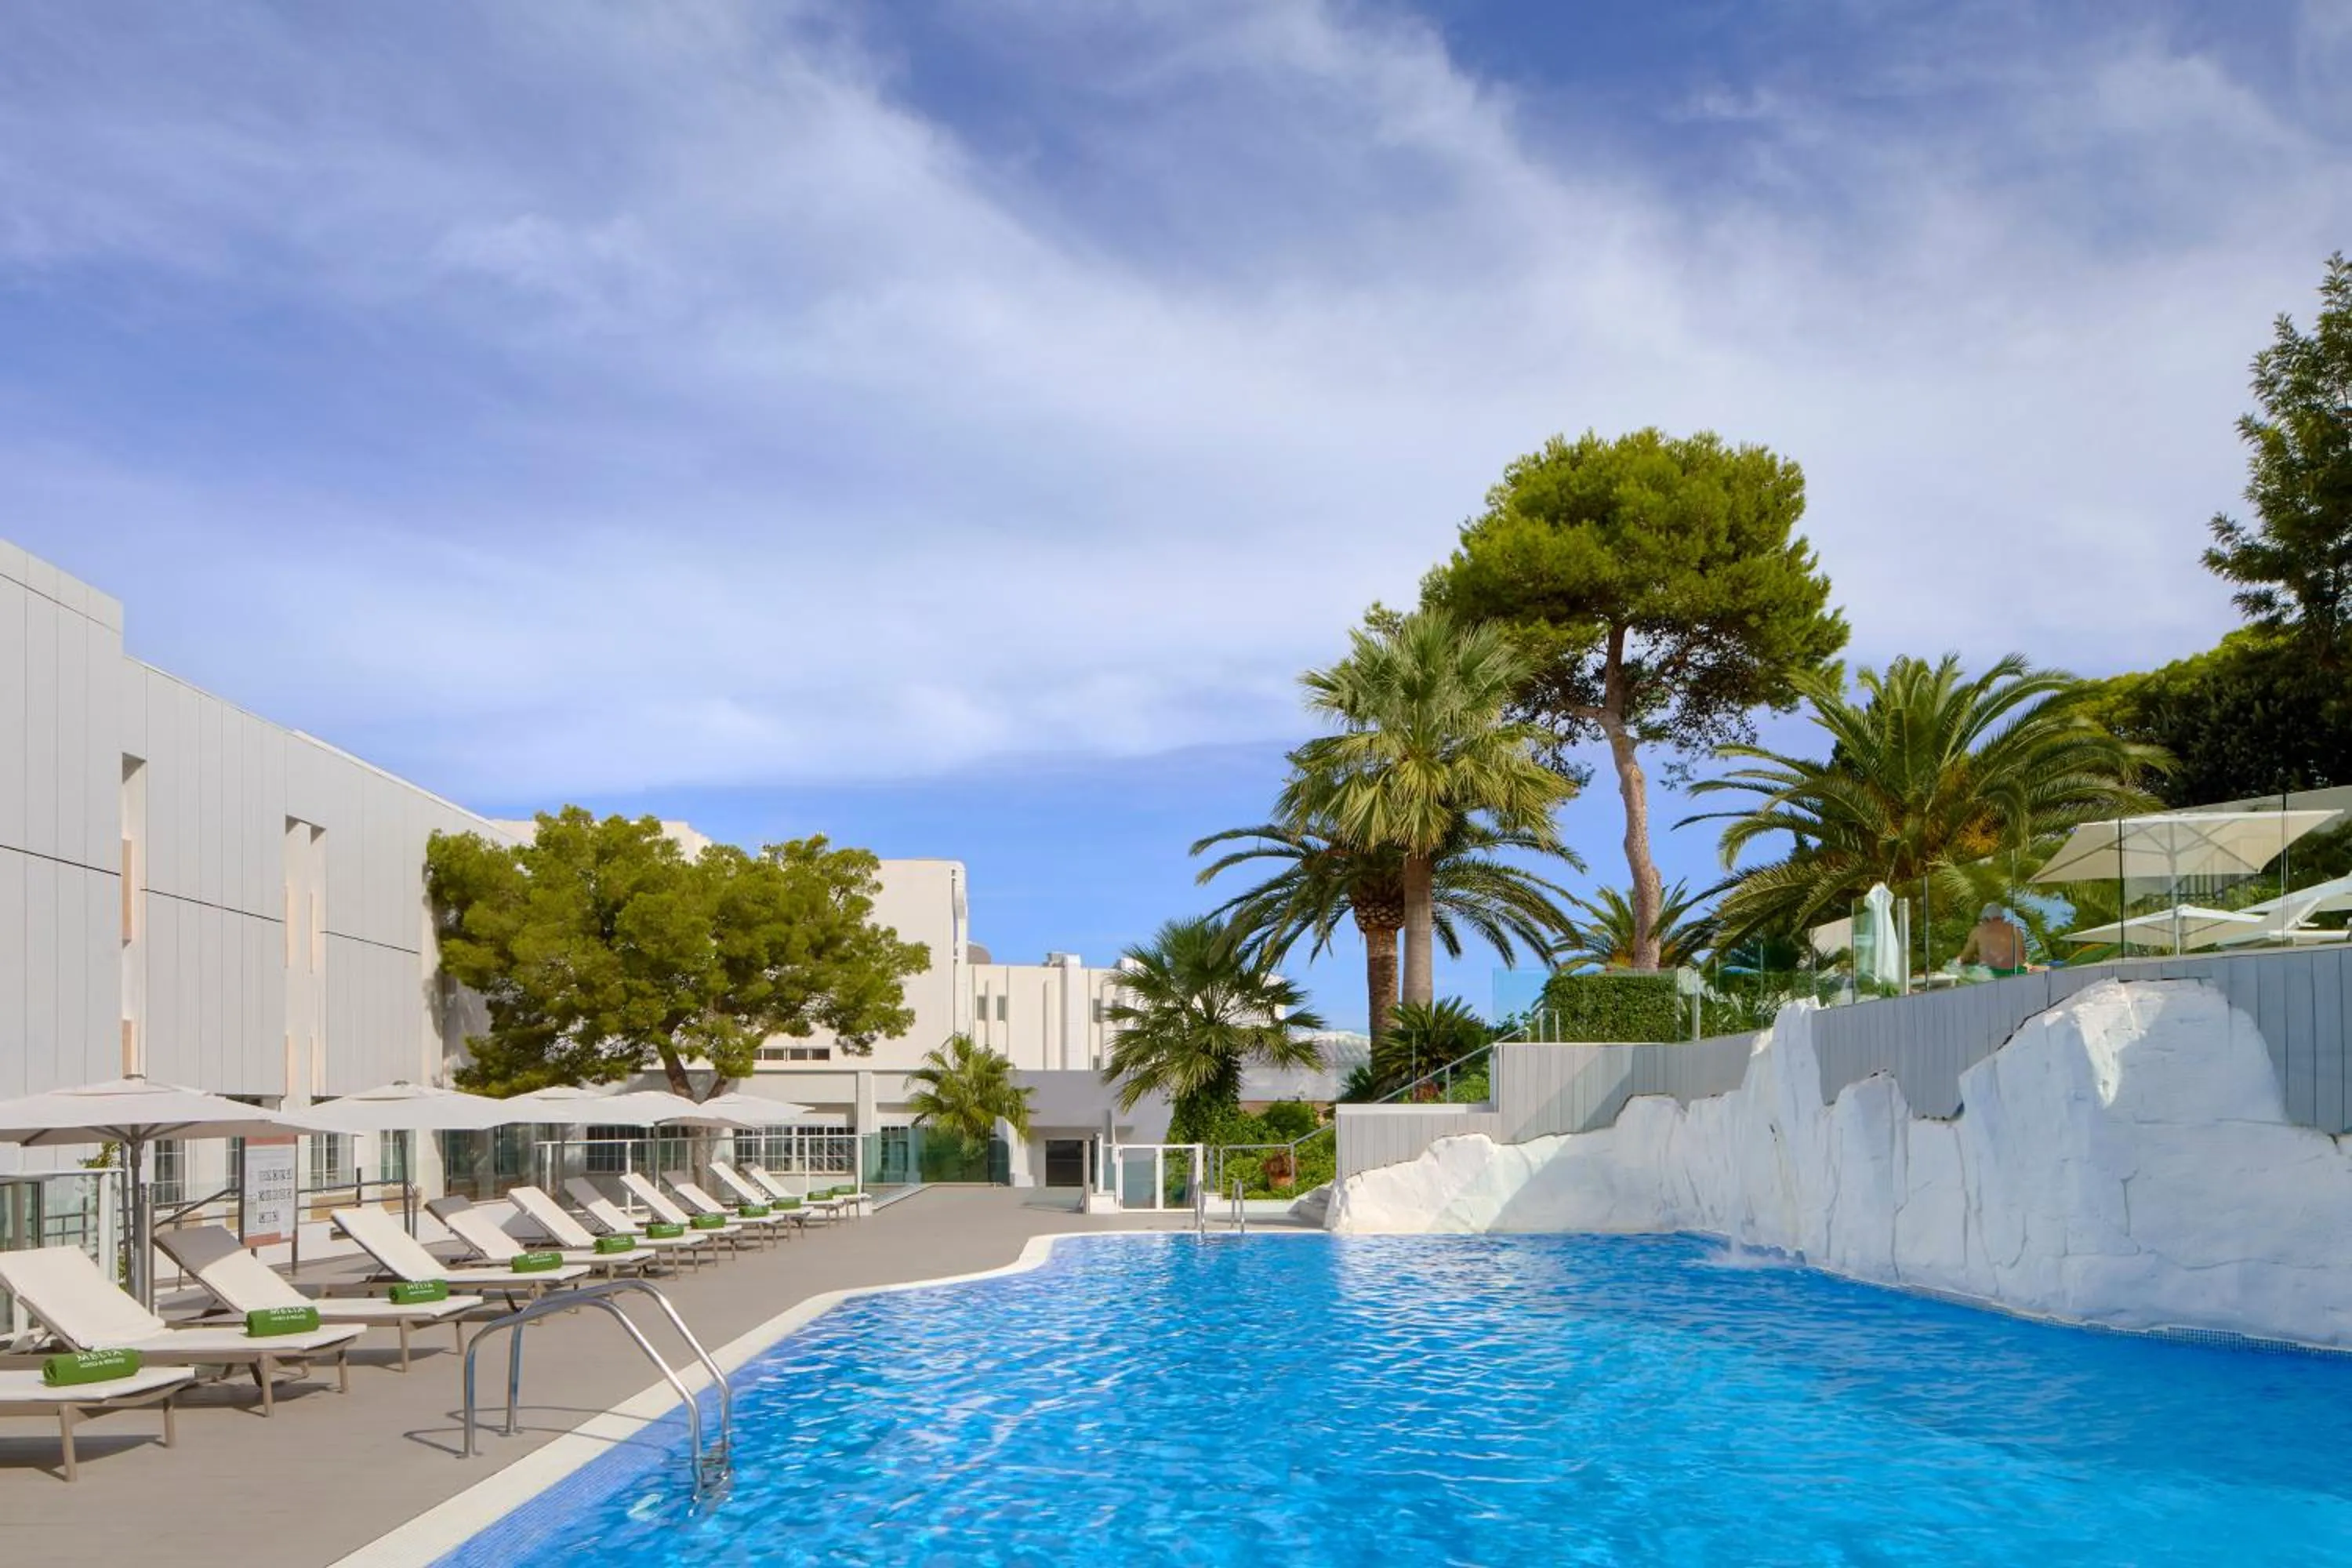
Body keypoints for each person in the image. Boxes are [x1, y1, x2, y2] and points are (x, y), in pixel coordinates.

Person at [1957, 904, 2027, 975]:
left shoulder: (1978, 931)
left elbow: (1965, 957)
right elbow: (2023, 955)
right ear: (2002, 918)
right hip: (2017, 972)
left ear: (1986, 919)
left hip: (1991, 975)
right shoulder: (2016, 930)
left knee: (1953, 967)